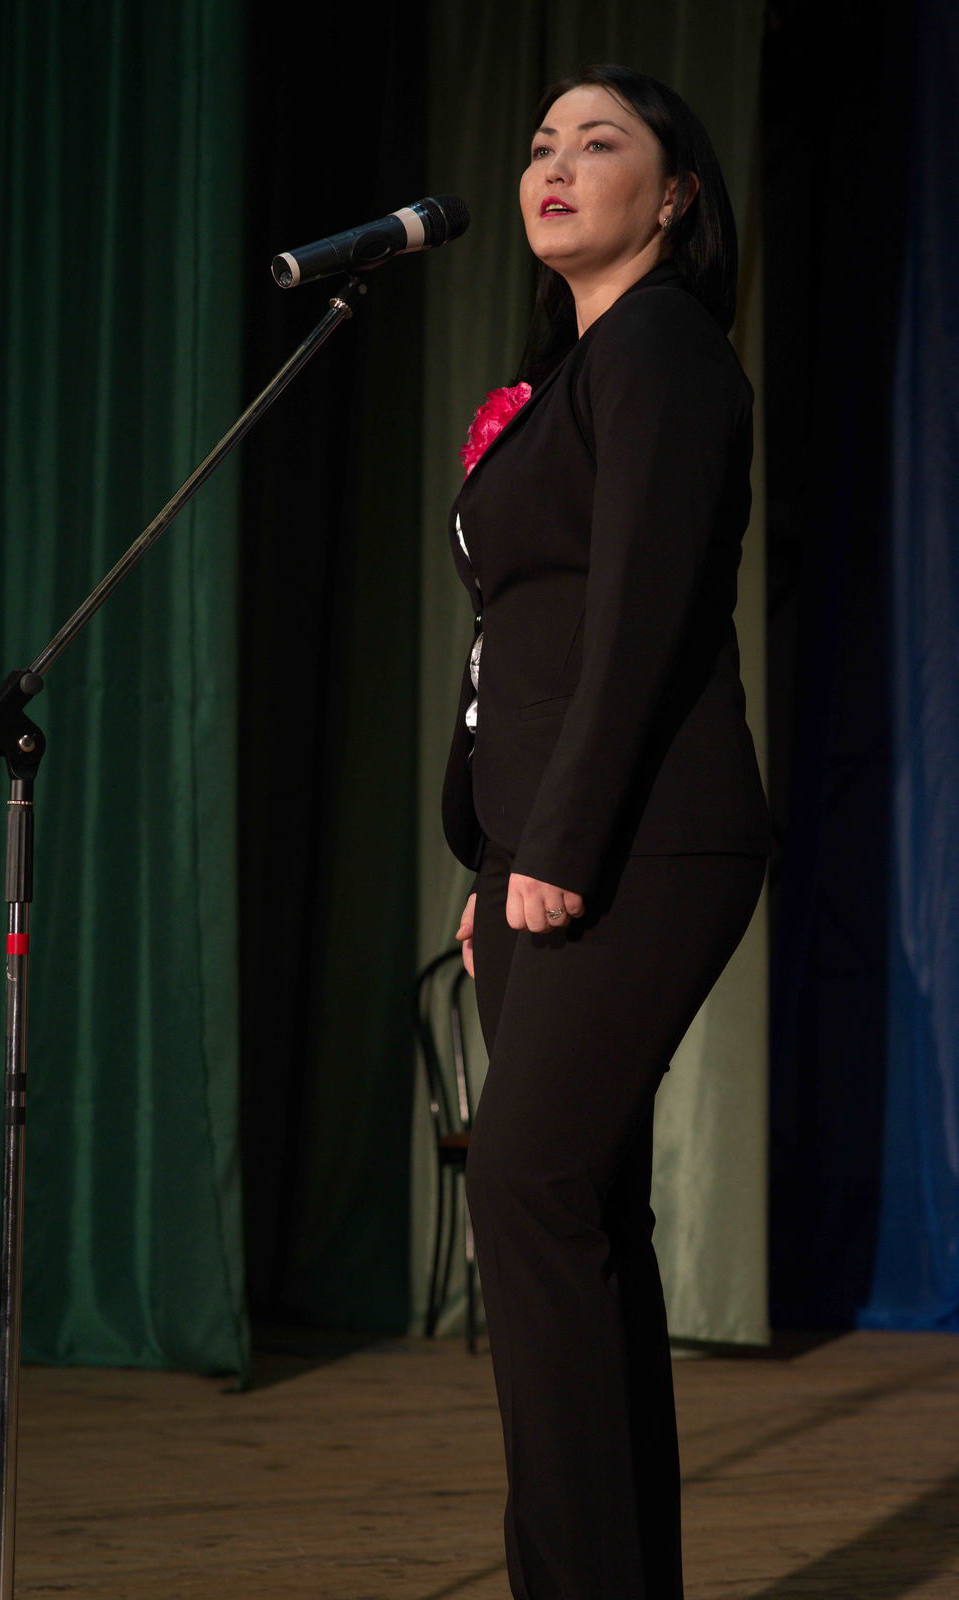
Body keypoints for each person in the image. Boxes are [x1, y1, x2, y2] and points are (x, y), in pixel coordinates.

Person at [441, 64, 772, 1600]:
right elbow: (519, 641)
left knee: (527, 1183)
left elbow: (638, 620)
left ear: (678, 192)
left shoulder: (663, 350)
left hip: (645, 837)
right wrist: (492, 855)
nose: (554, 166)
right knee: (582, 1214)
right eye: (539, 146)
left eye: (599, 142)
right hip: (545, 850)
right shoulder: (572, 374)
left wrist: (559, 847)